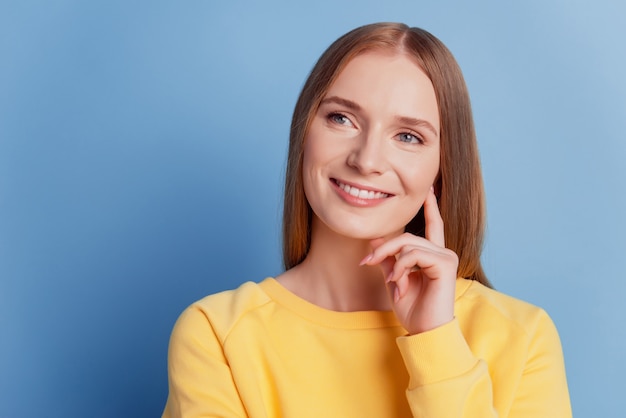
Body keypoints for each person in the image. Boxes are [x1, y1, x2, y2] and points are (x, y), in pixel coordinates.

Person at [162, 22, 572, 417]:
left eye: (408, 136)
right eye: (342, 118)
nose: (367, 160)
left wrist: (437, 342)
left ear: (443, 167)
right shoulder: (217, 334)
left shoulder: (523, 336)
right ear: (304, 131)